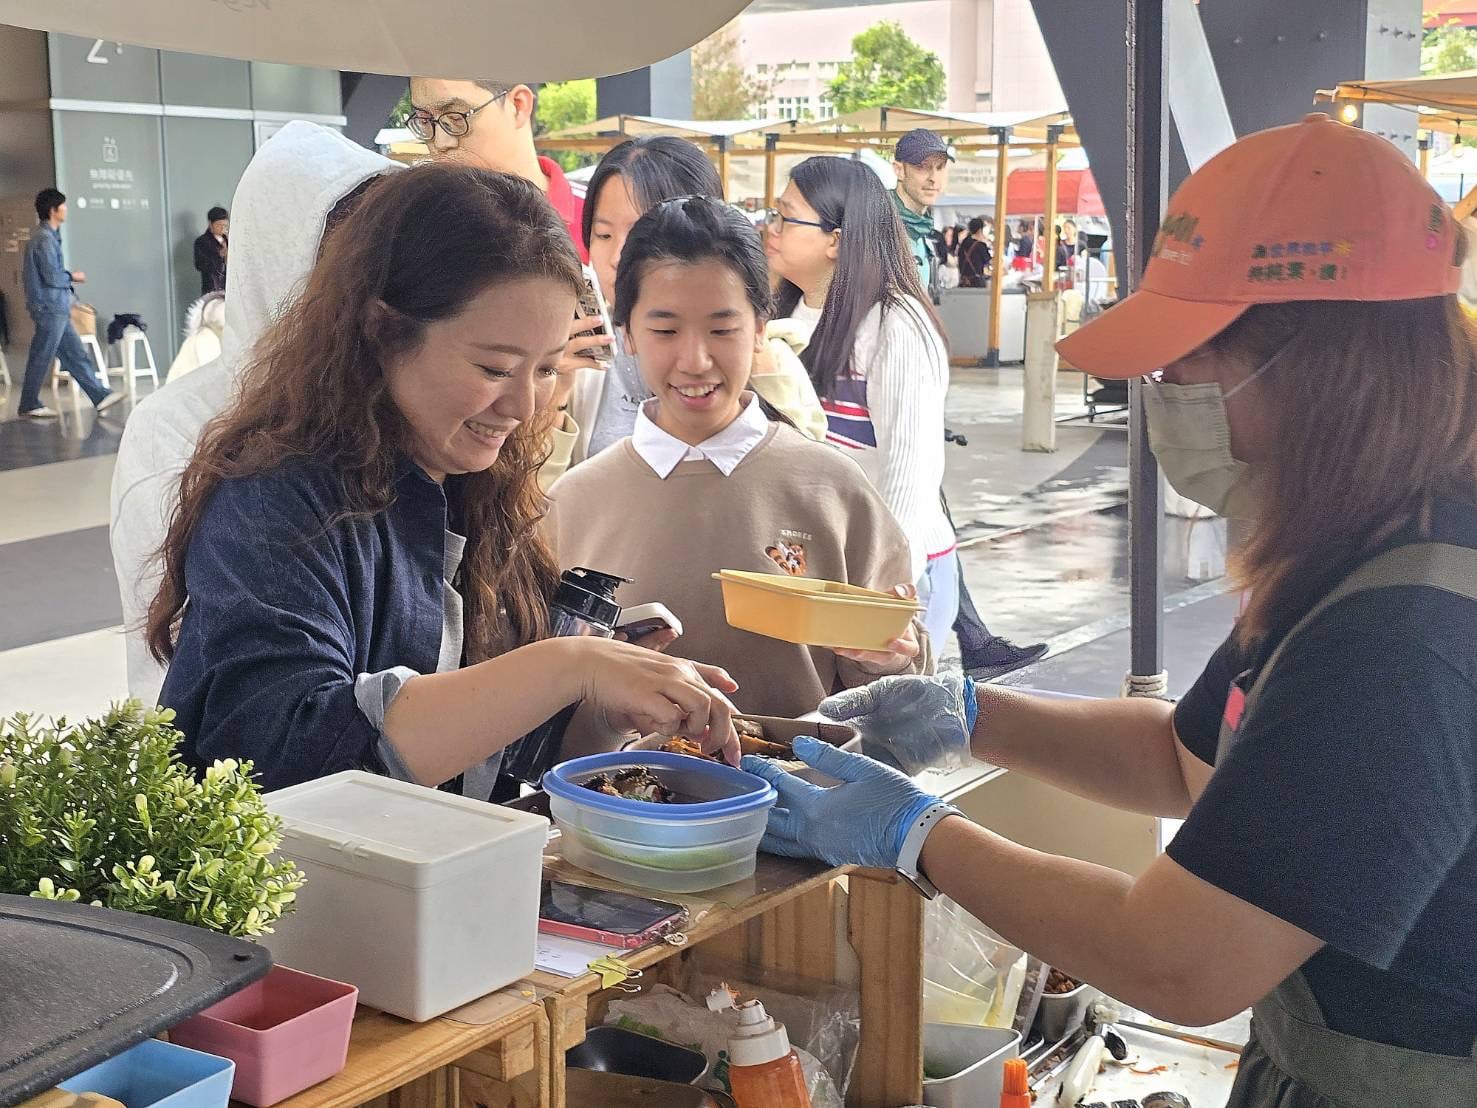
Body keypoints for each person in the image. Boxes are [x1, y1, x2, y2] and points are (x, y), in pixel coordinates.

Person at [745, 114, 1477, 1107]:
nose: (1161, 392)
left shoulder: (1405, 632)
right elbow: (1187, 758)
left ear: (1321, 368)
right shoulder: (1358, 545)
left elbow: (1182, 959)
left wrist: (917, 835)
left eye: (1189, 360)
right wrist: (968, 714)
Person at [149, 163, 740, 795]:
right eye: (494, 367)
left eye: (546, 369)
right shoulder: (275, 505)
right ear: (382, 331)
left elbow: (492, 756)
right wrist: (566, 665)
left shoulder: (475, 486)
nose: (524, 407)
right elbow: (283, 755)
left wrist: (600, 709)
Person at [547, 195, 928, 718]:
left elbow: (900, 687)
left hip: (795, 791)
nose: (696, 360)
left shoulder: (832, 486)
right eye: (665, 330)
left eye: (723, 329)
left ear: (760, 328)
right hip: (615, 793)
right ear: (628, 333)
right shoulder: (572, 503)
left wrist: (887, 658)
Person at [113, 123, 402, 710]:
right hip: (232, 765)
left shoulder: (394, 404)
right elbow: (171, 647)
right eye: (341, 268)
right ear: (279, 260)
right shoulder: (176, 425)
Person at [769, 157, 1044, 673]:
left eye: (787, 217)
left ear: (835, 239)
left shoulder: (894, 324)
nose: (773, 230)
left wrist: (881, 595)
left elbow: (909, 475)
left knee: (883, 736)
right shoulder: (780, 316)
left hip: (893, 578)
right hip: (817, 571)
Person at [576, 136, 825, 462]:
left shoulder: (766, 359)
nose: (617, 256)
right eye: (604, 235)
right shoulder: (578, 357)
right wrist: (551, 397)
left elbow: (807, 485)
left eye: (639, 232)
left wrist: (765, 378)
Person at [406, 77, 586, 262]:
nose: (440, 142)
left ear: (518, 105)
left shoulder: (599, 220)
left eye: (455, 118)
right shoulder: (413, 232)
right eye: (425, 121)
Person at [18, 188, 120, 420]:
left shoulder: (47, 237)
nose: (66, 210)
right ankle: (29, 402)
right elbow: (52, 276)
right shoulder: (44, 239)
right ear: (53, 211)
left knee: (74, 354)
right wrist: (74, 277)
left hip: (55, 307)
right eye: (63, 206)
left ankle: (99, 396)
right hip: (49, 307)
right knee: (42, 355)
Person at [890, 127, 951, 301]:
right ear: (899, 170)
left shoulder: (922, 230)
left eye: (940, 167)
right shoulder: (878, 224)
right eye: (922, 167)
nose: (933, 177)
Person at [193, 206, 228, 296]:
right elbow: (199, 265)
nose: (222, 228)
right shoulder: (202, 241)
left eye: (224, 225)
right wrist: (218, 256)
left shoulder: (228, 240)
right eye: (218, 225)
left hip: (229, 288)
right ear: (210, 224)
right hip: (212, 288)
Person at [957, 217, 993, 288]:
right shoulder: (980, 246)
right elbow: (989, 261)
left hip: (964, 282)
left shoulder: (963, 244)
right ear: (980, 230)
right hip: (976, 282)